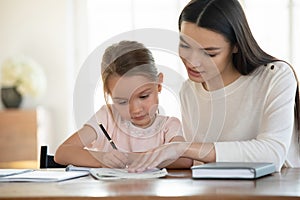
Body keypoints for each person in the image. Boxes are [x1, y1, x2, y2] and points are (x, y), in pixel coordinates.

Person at [127, 0, 300, 172]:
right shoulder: (189, 90)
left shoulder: (274, 77)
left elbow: (273, 154)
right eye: (185, 46)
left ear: (236, 46)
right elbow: (201, 164)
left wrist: (183, 148)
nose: (193, 62)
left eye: (209, 53)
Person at [54, 40, 192, 169]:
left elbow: (185, 160)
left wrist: (131, 158)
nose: (135, 110)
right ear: (109, 94)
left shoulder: (169, 126)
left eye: (143, 96)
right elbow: (62, 153)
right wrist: (102, 158)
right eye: (122, 102)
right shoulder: (107, 117)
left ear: (159, 85)